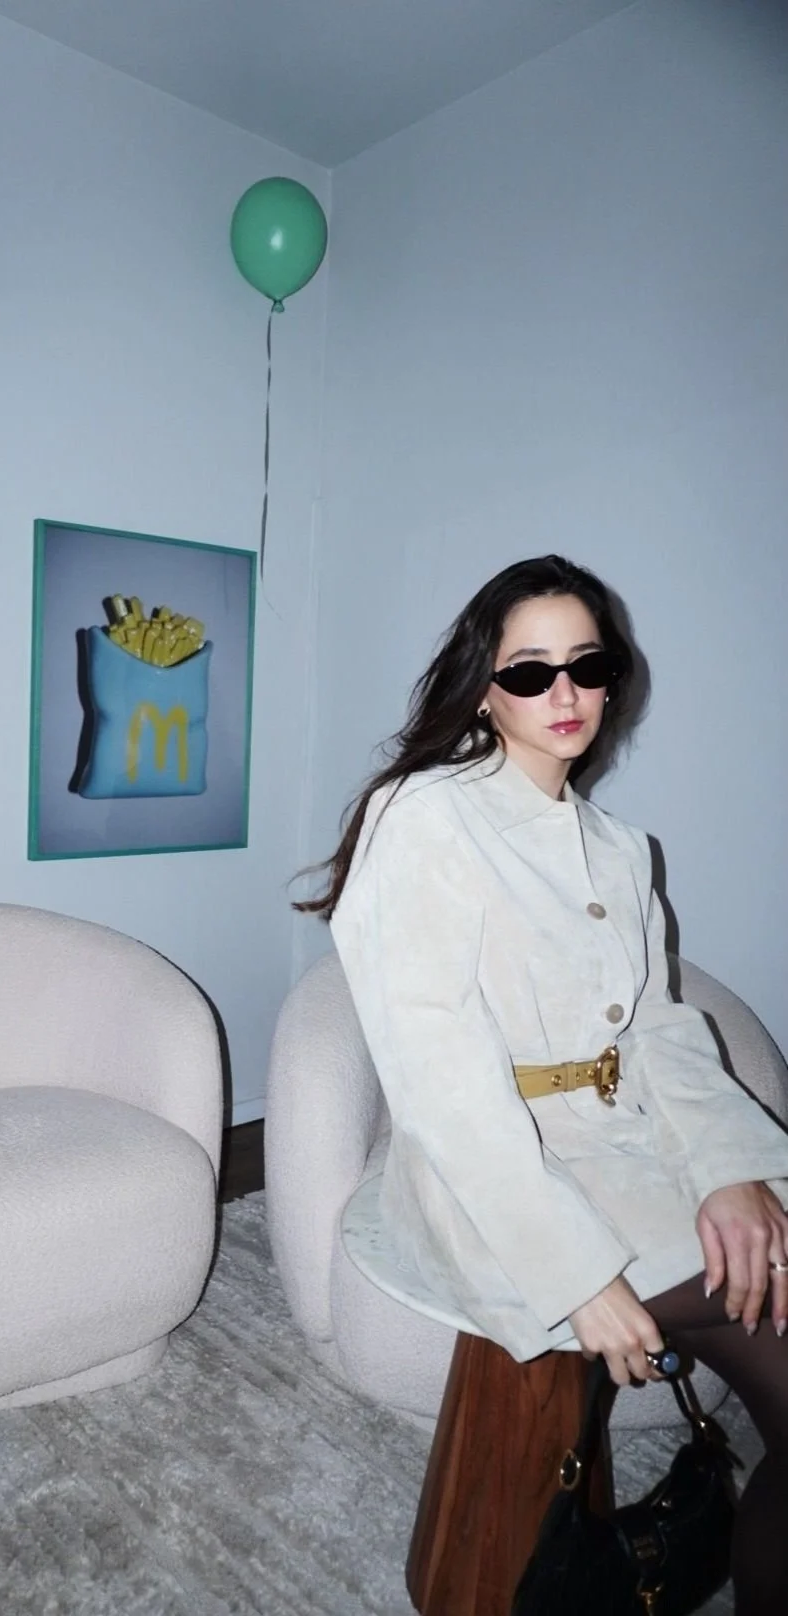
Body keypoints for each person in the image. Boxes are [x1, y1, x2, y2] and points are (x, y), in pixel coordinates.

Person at [298, 555, 788, 1615]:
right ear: (485, 689)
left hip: (627, 1141)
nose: (563, 693)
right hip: (489, 1175)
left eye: (586, 665)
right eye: (529, 671)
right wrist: (574, 1273)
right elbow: (437, 1076)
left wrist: (732, 1168)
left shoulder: (620, 849)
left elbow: (657, 1027)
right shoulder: (423, 815)